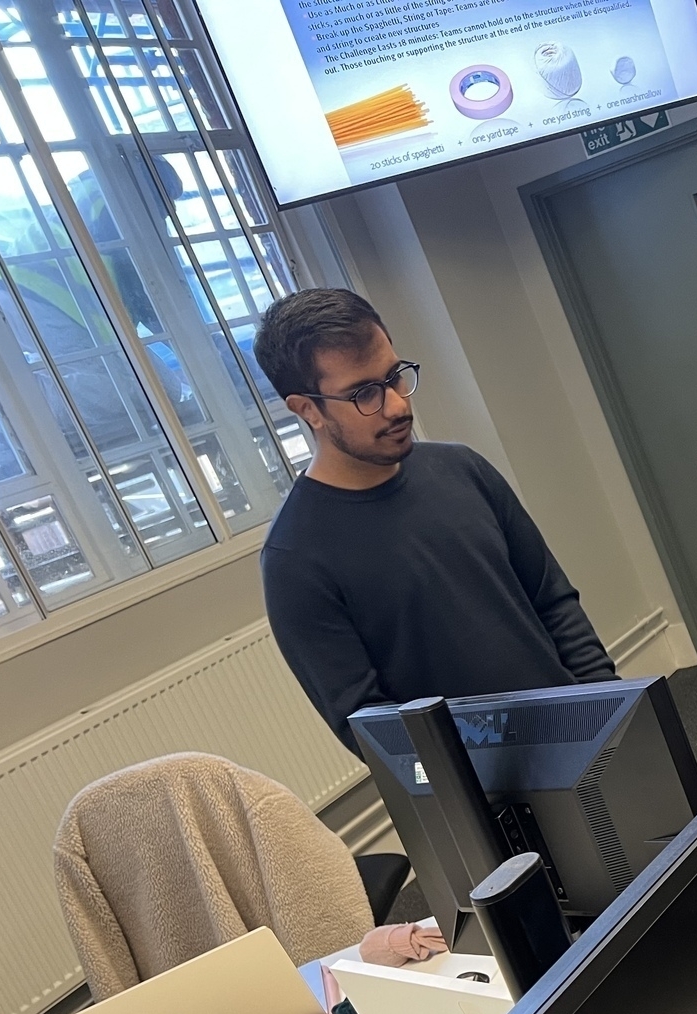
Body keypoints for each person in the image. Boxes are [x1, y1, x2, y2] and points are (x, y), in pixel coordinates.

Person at [255, 289, 615, 753]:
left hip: (584, 737)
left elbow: (553, 600)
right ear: (307, 410)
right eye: (364, 393)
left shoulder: (463, 469)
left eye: (395, 377)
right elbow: (371, 731)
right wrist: (474, 793)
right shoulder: (294, 558)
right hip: (484, 800)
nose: (397, 405)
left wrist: (607, 706)